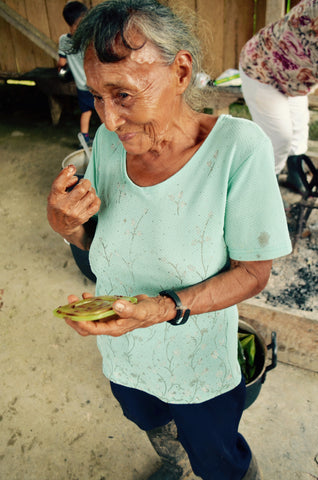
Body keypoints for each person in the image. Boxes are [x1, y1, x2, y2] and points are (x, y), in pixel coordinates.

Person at [47, 1, 292, 479]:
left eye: (123, 94)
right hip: (123, 349)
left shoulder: (237, 150)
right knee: (147, 418)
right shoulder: (110, 143)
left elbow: (252, 272)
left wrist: (163, 308)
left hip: (196, 359)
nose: (110, 120)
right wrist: (66, 223)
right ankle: (171, 459)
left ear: (180, 70)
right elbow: (98, 242)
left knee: (217, 455)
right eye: (97, 96)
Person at [239, 0, 318, 193]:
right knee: (279, 139)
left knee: (299, 132)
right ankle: (265, 189)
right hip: (262, 68)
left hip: (294, 77)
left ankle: (294, 175)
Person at [58, 1, 95, 147]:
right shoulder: (87, 40)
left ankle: (84, 139)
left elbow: (61, 62)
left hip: (80, 85)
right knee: (102, 111)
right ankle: (111, 136)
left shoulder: (63, 40)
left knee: (86, 112)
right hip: (93, 84)